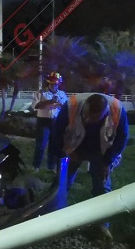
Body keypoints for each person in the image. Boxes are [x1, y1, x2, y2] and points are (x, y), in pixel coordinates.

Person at [51, 93, 129, 240]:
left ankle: (102, 226)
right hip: (74, 147)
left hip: (102, 150)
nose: (88, 120)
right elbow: (56, 132)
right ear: (84, 107)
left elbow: (122, 138)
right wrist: (63, 154)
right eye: (86, 116)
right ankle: (53, 217)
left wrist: (107, 161)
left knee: (102, 186)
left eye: (93, 119)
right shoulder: (71, 106)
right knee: (61, 181)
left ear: (104, 113)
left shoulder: (117, 110)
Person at [31, 72, 68, 172]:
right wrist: (49, 101)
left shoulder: (62, 94)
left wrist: (60, 105)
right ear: (48, 82)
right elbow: (35, 106)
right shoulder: (41, 93)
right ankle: (36, 166)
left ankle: (51, 167)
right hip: (43, 121)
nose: (54, 85)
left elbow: (66, 107)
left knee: (53, 145)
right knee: (41, 145)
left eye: (56, 83)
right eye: (52, 83)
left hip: (56, 121)